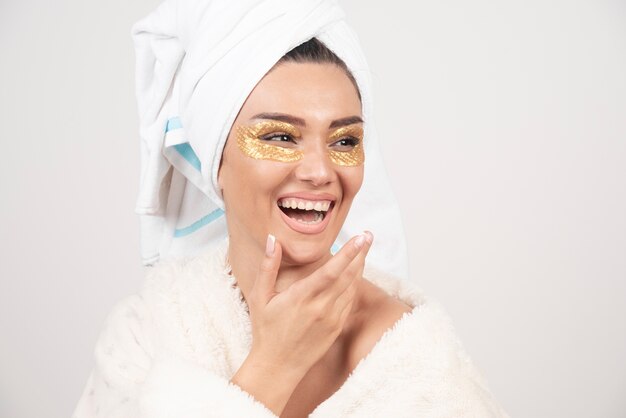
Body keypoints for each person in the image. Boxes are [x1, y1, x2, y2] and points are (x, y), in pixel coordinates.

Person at [74, 1, 510, 417]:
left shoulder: (419, 359)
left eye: (343, 141)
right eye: (280, 137)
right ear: (214, 161)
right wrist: (274, 367)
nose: (320, 172)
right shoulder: (147, 334)